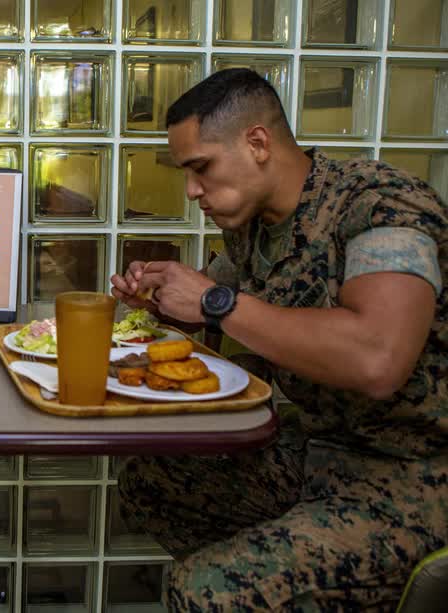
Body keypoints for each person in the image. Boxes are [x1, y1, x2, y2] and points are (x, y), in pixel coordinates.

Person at [110, 68, 447, 611]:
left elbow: (377, 358)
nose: (192, 189)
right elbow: (217, 304)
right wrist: (162, 297)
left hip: (412, 474)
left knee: (205, 592)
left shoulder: (380, 205)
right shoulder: (254, 225)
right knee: (150, 484)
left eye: (200, 168)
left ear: (258, 142)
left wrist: (213, 304)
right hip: (318, 450)